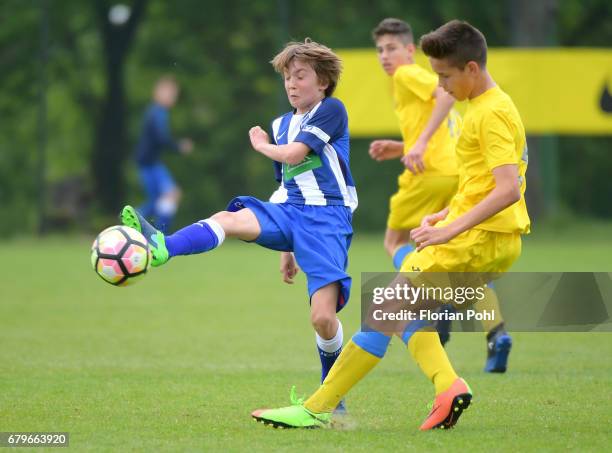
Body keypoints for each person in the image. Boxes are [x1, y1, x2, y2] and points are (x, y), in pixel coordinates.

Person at [251, 19, 530, 431]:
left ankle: (316, 408)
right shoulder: (487, 105)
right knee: (399, 311)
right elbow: (483, 180)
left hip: (477, 240)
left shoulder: (490, 113)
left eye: (445, 76)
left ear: (471, 69)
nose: (441, 87)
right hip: (484, 238)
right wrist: (446, 213)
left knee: (382, 308)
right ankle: (447, 385)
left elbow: (508, 190)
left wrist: (447, 231)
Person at [122, 40, 357, 410]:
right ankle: (163, 246)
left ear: (323, 81)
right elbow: (286, 182)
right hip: (290, 210)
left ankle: (332, 395)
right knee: (227, 219)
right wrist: (286, 246)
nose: (291, 84)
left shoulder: (331, 110)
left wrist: (262, 146)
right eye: (286, 78)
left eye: (300, 76)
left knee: (323, 318)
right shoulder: (281, 124)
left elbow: (295, 154)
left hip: (328, 219)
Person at [370, 18, 513, 372]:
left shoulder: (408, 74)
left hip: (427, 174)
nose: (385, 57)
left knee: (395, 241)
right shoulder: (440, 82)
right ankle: (496, 332)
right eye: (379, 50)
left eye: (391, 48)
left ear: (409, 51)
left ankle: (436, 301)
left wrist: (417, 144)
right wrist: (403, 145)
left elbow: (441, 99)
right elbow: (445, 122)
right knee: (462, 263)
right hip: (454, 174)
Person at [135, 76, 193, 233]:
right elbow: (160, 137)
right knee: (170, 194)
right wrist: (179, 146)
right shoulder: (157, 112)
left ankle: (140, 226)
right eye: (168, 93)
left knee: (160, 199)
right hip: (149, 163)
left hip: (150, 161)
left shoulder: (158, 112)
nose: (171, 97)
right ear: (157, 93)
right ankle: (159, 234)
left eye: (173, 94)